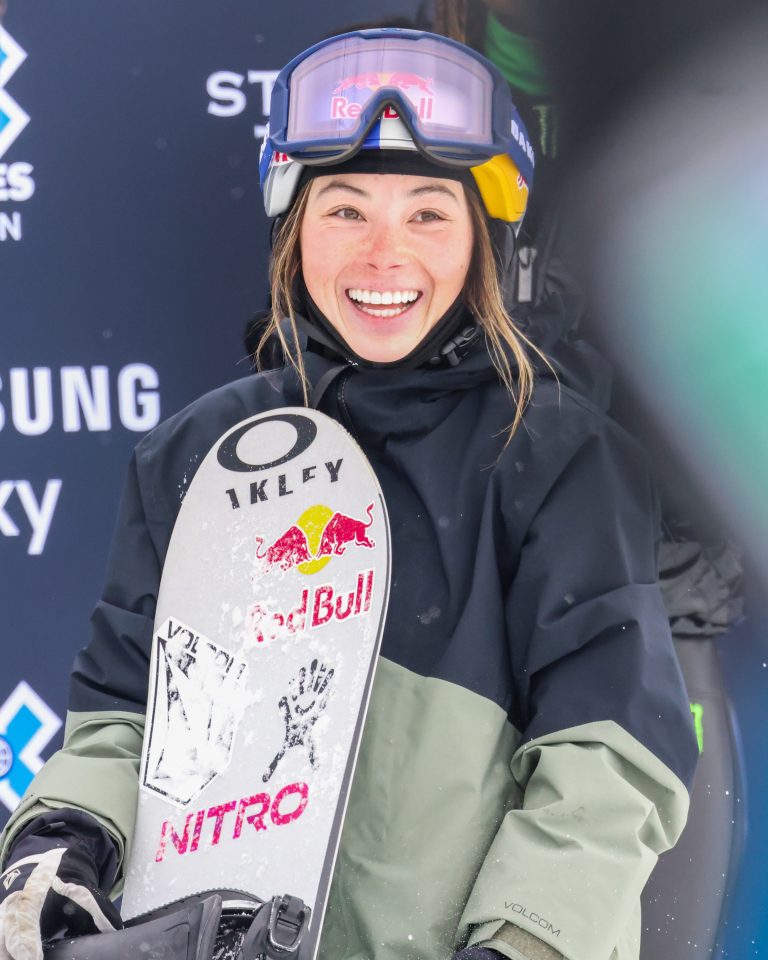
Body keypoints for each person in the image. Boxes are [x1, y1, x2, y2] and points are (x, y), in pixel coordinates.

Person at [0, 28, 698, 960]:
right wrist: (61, 842)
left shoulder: (557, 458)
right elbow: (124, 719)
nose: (383, 255)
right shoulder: (200, 454)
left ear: (482, 242)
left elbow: (607, 761)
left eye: (427, 215)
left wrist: (522, 943)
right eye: (345, 210)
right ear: (295, 230)